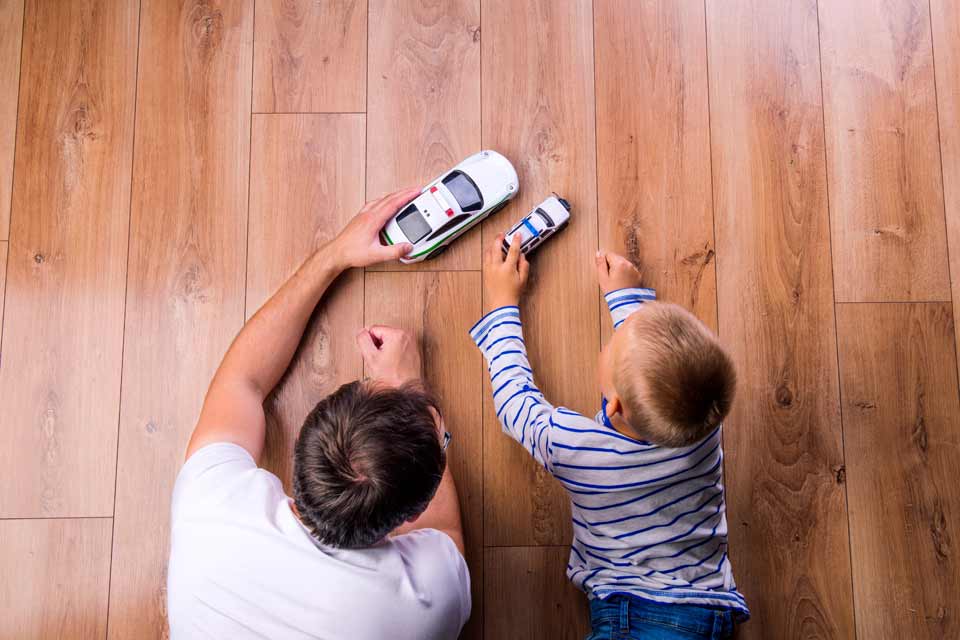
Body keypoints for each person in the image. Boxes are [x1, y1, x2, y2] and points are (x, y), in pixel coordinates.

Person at [167, 188, 471, 640]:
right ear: (413, 514)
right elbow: (444, 532)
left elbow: (241, 380)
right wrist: (410, 388)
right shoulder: (426, 602)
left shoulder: (210, 504)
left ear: (301, 446)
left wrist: (334, 256)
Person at [472, 234, 749, 639]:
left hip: (638, 615)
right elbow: (664, 373)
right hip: (711, 601)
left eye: (611, 345)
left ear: (615, 404)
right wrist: (626, 297)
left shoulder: (574, 448)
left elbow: (517, 405)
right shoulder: (703, 420)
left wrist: (502, 303)